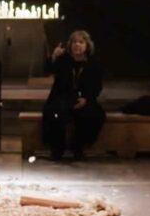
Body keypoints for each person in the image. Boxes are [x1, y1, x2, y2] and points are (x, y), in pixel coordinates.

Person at [42, 30, 105, 161]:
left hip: (84, 98)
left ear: (87, 45)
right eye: (74, 42)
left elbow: (97, 86)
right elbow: (48, 70)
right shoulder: (63, 60)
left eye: (81, 42)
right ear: (70, 45)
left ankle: (78, 148)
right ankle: (57, 149)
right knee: (55, 113)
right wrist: (53, 57)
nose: (77, 45)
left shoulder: (93, 63)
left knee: (93, 115)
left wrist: (86, 99)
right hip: (62, 97)